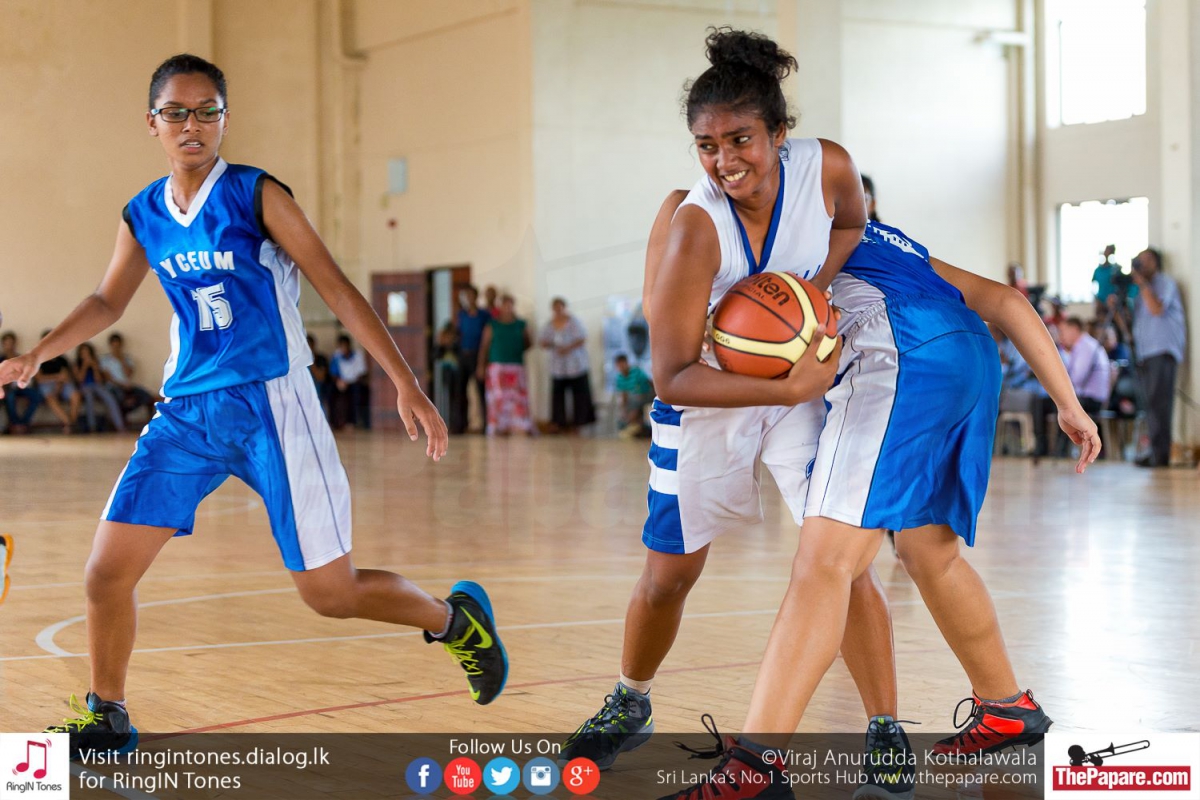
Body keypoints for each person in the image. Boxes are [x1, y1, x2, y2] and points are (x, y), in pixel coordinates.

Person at [0, 53, 506, 758]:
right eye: (176, 112)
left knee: (329, 594)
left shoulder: (255, 193)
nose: (192, 124)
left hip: (273, 404)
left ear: (224, 119)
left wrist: (404, 379)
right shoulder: (143, 213)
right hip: (187, 412)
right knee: (106, 571)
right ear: (152, 123)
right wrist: (39, 353)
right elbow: (108, 300)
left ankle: (454, 622)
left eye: (207, 111)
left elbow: (335, 286)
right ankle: (107, 715)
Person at [559, 30, 910, 799]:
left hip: (797, 381)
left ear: (780, 133)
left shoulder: (828, 167)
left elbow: (851, 223)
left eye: (741, 139)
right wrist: (785, 389)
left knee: (839, 558)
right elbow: (672, 375)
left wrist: (815, 288)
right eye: (707, 145)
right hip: (711, 394)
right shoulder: (695, 224)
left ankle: (885, 730)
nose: (724, 160)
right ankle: (630, 700)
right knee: (668, 576)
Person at [661, 220, 1101, 800]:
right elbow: (1006, 300)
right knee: (929, 554)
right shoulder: (895, 245)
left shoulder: (787, 231)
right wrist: (1068, 403)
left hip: (899, 353)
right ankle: (1006, 708)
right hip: (971, 355)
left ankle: (753, 770)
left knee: (825, 564)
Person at [1130, 248, 1186, 468]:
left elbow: (1156, 309)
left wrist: (1143, 283)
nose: (1141, 264)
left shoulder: (1165, 283)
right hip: (1145, 352)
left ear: (1156, 262)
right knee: (1150, 403)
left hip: (1162, 350)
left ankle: (1160, 455)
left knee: (1159, 403)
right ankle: (1155, 450)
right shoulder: (1139, 291)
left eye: (1146, 260)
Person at [477, 295, 535, 436]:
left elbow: (528, 343)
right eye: (505, 305)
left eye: (510, 305)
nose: (508, 308)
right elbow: (484, 347)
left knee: (518, 397)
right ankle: (499, 426)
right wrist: (480, 365)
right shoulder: (492, 325)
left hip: (516, 365)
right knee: (498, 397)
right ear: (500, 307)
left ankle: (522, 425)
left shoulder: (520, 324)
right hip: (497, 366)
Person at [539, 297, 596, 433]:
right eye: (556, 308)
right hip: (558, 366)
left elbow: (582, 338)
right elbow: (542, 341)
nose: (558, 311)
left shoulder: (574, 322)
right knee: (557, 395)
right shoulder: (549, 325)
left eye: (560, 308)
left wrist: (568, 347)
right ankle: (558, 422)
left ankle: (579, 422)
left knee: (579, 395)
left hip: (575, 365)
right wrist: (552, 345)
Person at [452, 285, 490, 434]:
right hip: (463, 355)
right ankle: (460, 424)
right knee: (460, 390)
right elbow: (457, 333)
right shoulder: (462, 315)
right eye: (467, 296)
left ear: (476, 296)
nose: (469, 298)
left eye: (471, 295)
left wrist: (483, 360)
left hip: (478, 355)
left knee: (481, 391)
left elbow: (487, 337)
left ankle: (486, 425)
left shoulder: (484, 315)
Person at [100, 332, 157, 425]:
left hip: (128, 386)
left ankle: (150, 421)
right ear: (110, 345)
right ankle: (121, 420)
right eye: (114, 346)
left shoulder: (126, 359)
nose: (116, 348)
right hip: (113, 387)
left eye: (118, 346)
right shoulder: (105, 360)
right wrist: (121, 385)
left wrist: (121, 360)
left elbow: (129, 374)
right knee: (121, 398)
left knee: (146, 396)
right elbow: (107, 378)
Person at [73, 342, 127, 433]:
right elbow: (80, 380)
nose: (85, 355)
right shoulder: (76, 364)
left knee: (110, 398)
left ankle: (120, 426)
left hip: (97, 385)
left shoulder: (96, 362)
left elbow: (98, 380)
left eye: (87, 352)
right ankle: (92, 427)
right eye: (83, 352)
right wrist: (85, 366)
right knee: (89, 398)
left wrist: (94, 367)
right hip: (85, 386)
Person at [37, 329, 81, 434]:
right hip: (47, 384)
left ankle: (71, 424)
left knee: (76, 395)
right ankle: (69, 423)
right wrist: (57, 377)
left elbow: (67, 375)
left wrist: (60, 382)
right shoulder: (39, 359)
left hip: (63, 383)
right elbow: (39, 378)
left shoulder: (62, 359)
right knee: (50, 398)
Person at [2, 332, 43, 434]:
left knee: (36, 396)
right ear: (3, 344)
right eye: (7, 343)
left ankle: (23, 423)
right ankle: (15, 424)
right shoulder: (1, 359)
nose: (9, 346)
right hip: (8, 388)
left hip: (23, 386)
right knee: (10, 397)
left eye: (11, 343)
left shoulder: (20, 358)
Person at [330, 333, 368, 429]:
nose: (343, 348)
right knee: (330, 392)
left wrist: (350, 382)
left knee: (355, 394)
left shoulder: (358, 355)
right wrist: (339, 381)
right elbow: (333, 373)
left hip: (354, 382)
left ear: (349, 345)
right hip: (341, 382)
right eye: (341, 346)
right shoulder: (336, 356)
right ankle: (333, 422)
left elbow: (361, 373)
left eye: (345, 346)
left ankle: (352, 422)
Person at [613, 354, 653, 437]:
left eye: (622, 364)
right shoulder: (619, 378)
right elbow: (623, 394)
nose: (621, 367)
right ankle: (635, 426)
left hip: (647, 394)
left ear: (626, 363)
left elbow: (648, 383)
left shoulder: (636, 372)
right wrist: (623, 409)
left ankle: (632, 422)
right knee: (628, 404)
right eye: (619, 365)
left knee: (635, 402)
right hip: (635, 398)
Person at [306, 333, 331, 419]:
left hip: (319, 389)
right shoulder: (297, 362)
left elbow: (320, 377)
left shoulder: (321, 358)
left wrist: (310, 360)